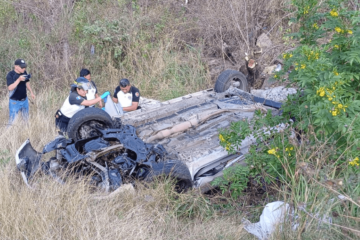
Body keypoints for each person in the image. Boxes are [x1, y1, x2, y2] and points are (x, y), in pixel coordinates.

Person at [6, 59, 36, 125]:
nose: (24, 68)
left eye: (25, 67)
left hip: (24, 100)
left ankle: (26, 132)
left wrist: (31, 92)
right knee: (12, 121)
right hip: (14, 102)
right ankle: (9, 133)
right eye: (22, 67)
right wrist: (19, 79)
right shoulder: (10, 75)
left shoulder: (24, 72)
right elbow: (10, 88)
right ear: (16, 66)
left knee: (26, 119)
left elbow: (27, 83)